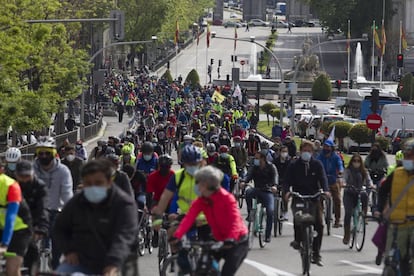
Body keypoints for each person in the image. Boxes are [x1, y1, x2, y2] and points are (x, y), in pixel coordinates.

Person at [53, 159, 138, 275]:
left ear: (109, 182)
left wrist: (113, 263)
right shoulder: (77, 202)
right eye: (88, 183)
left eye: (98, 183)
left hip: (118, 262)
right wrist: (69, 251)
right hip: (81, 262)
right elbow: (59, 228)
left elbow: (124, 237)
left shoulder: (124, 204)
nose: (93, 187)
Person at [171, 166, 248, 276]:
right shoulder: (201, 200)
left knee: (227, 272)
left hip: (237, 241)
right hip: (217, 238)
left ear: (209, 185)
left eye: (199, 184)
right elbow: (189, 218)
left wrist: (231, 238)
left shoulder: (227, 198)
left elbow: (235, 221)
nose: (197, 186)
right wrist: (177, 235)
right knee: (201, 269)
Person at [284, 140, 329, 266]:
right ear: (300, 151)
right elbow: (287, 181)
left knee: (319, 224)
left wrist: (326, 191)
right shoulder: (293, 165)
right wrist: (287, 191)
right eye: (305, 150)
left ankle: (316, 254)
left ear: (313, 152)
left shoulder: (317, 164)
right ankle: (298, 240)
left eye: (309, 151)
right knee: (298, 219)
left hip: (314, 197)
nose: (307, 153)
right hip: (299, 197)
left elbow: (323, 179)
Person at [33, 136, 73, 269]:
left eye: (47, 153)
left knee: (57, 249)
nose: (44, 156)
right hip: (37, 212)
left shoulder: (63, 171)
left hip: (56, 211)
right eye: (41, 153)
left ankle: (55, 264)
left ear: (54, 153)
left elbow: (67, 194)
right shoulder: (32, 170)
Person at [377, 138, 414, 274]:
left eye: (411, 156)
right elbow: (382, 191)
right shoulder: (397, 174)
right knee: (395, 260)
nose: (408, 159)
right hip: (398, 225)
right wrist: (379, 210)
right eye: (406, 156)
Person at [15, 160, 49, 274]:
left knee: (32, 251)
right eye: (21, 176)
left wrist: (41, 228)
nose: (24, 179)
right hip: (14, 223)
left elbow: (43, 208)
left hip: (33, 223)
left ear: (32, 173)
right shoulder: (13, 186)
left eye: (27, 176)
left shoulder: (39, 186)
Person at [0, 161, 32, 276]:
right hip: (1, 226)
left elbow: (11, 217)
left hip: (19, 230)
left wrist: (4, 244)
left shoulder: (11, 186)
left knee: (11, 269)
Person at [241, 150, 278, 243]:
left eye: (257, 158)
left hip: (267, 191)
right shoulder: (254, 167)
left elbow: (275, 178)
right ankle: (250, 213)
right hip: (257, 189)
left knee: (270, 211)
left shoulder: (271, 167)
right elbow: (248, 176)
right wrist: (244, 182)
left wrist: (274, 186)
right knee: (248, 192)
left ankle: (267, 235)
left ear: (263, 158)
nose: (255, 160)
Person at [342, 154, 372, 244]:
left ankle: (364, 213)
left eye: (358, 161)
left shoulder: (364, 171)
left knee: (365, 195)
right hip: (349, 192)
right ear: (351, 162)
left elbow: (368, 180)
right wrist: (344, 184)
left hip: (359, 191)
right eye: (354, 161)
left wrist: (371, 185)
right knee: (348, 213)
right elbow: (344, 179)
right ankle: (347, 234)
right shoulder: (348, 171)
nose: (356, 163)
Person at [317, 140, 344, 228]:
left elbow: (340, 165)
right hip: (321, 180)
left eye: (328, 146)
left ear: (332, 148)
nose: (326, 148)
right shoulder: (320, 156)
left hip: (333, 180)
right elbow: (316, 163)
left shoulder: (335, 157)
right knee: (318, 199)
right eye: (325, 146)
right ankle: (319, 219)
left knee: (337, 199)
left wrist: (340, 171)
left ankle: (337, 220)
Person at [273, 145, 291, 220]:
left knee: (285, 195)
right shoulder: (276, 161)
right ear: (279, 152)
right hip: (277, 180)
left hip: (286, 181)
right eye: (283, 151)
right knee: (273, 193)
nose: (284, 153)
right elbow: (272, 171)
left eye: (286, 152)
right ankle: (273, 209)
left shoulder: (290, 161)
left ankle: (285, 212)